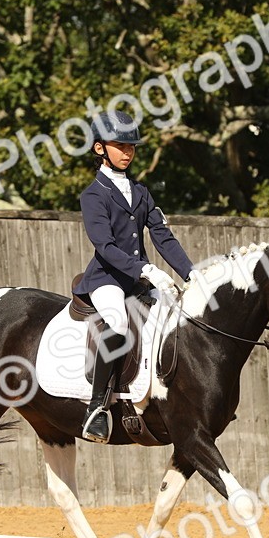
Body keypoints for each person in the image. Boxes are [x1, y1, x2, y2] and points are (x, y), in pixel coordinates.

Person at [74, 110, 196, 443]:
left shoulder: (141, 192)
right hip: (107, 281)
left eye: (132, 147)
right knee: (117, 325)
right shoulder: (93, 195)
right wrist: (145, 268)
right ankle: (96, 410)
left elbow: (163, 236)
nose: (127, 153)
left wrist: (191, 274)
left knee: (178, 319)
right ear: (100, 148)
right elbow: (105, 246)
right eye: (119, 146)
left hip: (138, 282)